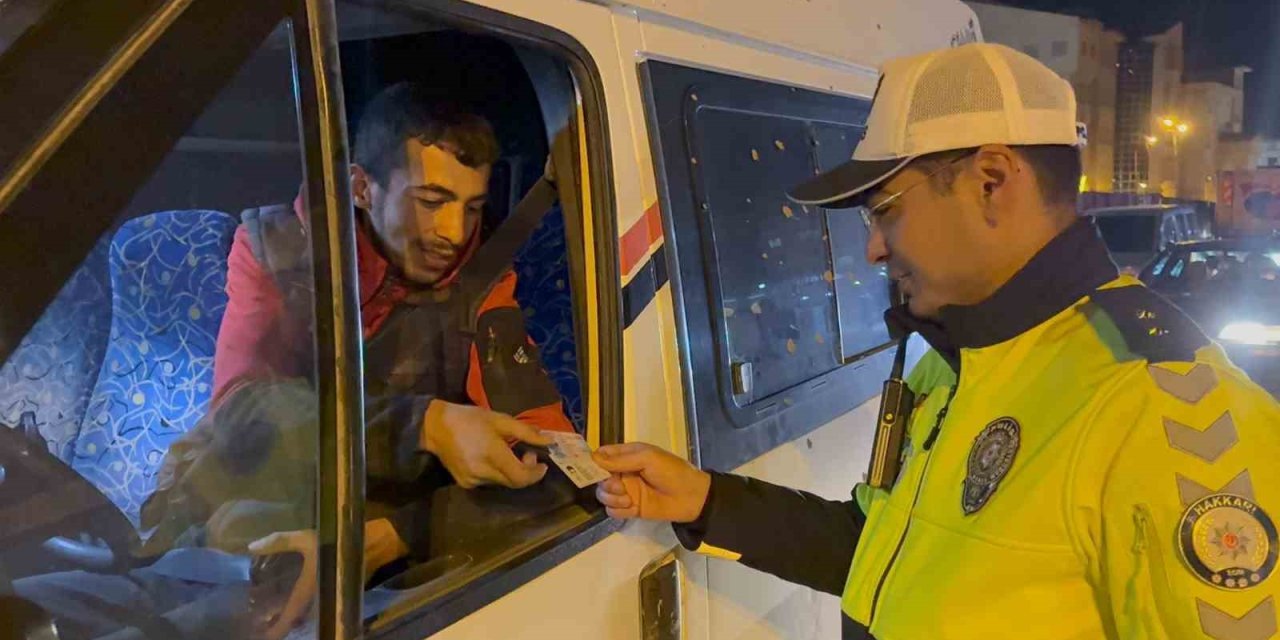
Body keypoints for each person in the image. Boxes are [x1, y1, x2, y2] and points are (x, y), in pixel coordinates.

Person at [593, 43, 1280, 639]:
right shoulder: (955, 362)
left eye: (886, 210)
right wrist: (705, 501)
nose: (872, 249)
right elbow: (884, 551)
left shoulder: (1169, 415)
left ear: (991, 182)